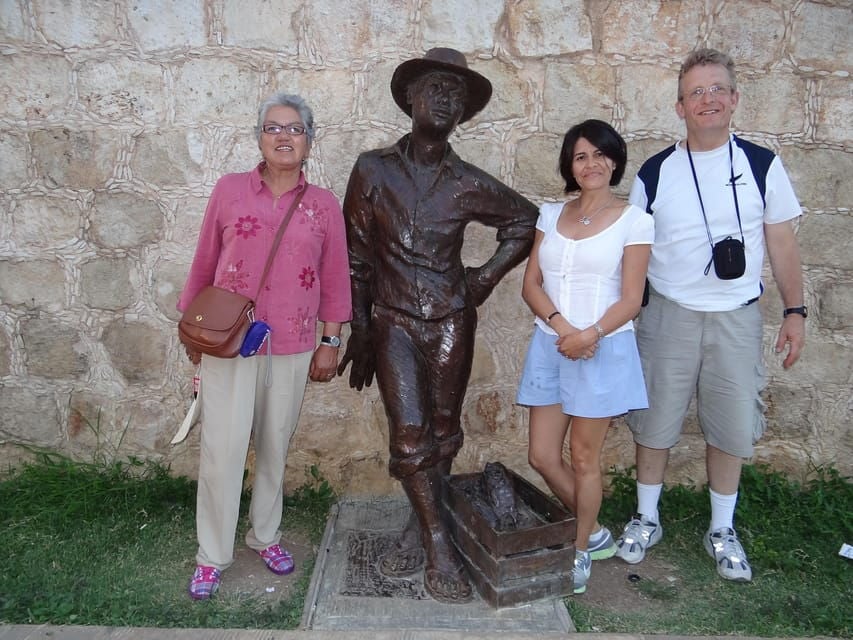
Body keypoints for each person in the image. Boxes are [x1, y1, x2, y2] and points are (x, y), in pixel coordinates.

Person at [337, 48, 538, 604]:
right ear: (410, 98)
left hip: (452, 317)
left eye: (458, 94)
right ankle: (437, 543)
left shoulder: (468, 181)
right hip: (393, 320)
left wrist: (485, 279)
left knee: (444, 428)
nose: (448, 99)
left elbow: (524, 222)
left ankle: (417, 519)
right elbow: (355, 255)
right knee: (409, 431)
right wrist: (359, 328)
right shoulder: (372, 170)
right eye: (437, 88)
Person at [616, 48, 806, 582]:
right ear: (680, 107)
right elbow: (636, 249)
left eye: (718, 89)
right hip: (668, 316)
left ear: (735, 99)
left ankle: (722, 529)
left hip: (736, 318)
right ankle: (646, 517)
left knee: (732, 425)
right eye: (696, 92)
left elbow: (783, 243)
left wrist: (796, 312)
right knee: (654, 423)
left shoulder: (762, 165)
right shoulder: (655, 172)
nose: (709, 99)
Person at [177, 92, 352, 600]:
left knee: (275, 448)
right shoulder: (230, 191)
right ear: (259, 137)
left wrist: (330, 340)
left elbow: (336, 278)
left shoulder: (323, 206)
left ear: (309, 142)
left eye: (294, 129)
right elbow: (204, 261)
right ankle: (212, 555)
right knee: (221, 453)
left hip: (293, 345)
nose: (283, 136)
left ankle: (265, 535)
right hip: (230, 344)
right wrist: (193, 329)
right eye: (273, 128)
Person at [516, 119, 653, 594]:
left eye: (599, 154)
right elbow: (531, 283)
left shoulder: (636, 220)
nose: (590, 164)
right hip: (551, 343)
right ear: (569, 166)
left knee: (583, 458)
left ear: (614, 160)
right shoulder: (550, 214)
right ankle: (592, 532)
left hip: (604, 346)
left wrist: (590, 333)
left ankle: (576, 552)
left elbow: (632, 297)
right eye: (580, 156)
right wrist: (563, 328)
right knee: (540, 455)